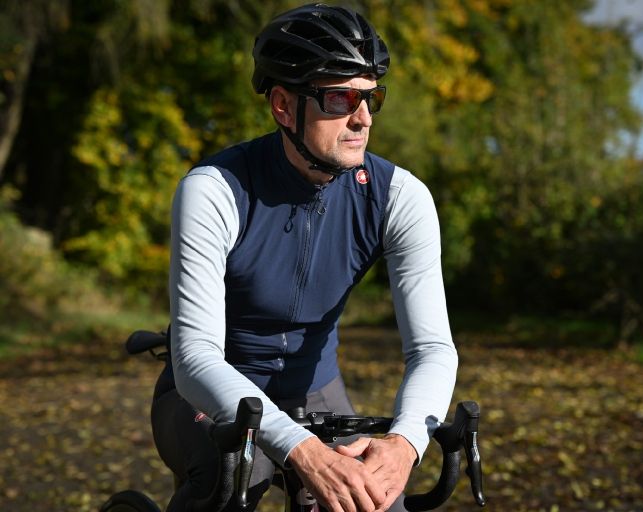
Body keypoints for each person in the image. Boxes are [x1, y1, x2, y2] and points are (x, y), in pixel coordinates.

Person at [151, 3, 458, 511]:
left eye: (370, 97)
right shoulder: (215, 190)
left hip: (316, 391)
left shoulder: (400, 197)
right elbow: (195, 359)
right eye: (340, 98)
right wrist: (303, 451)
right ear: (282, 105)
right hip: (203, 397)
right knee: (227, 487)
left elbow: (432, 349)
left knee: (376, 501)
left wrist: (405, 444)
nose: (362, 118)